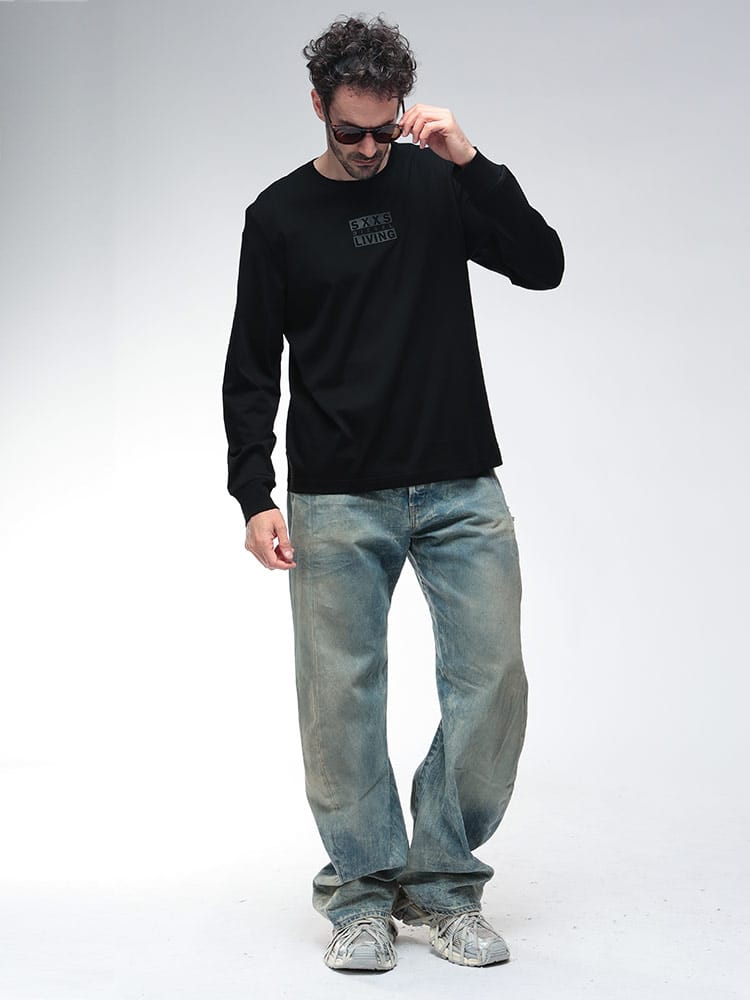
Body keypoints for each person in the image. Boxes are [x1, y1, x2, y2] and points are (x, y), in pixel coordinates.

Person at [222, 13, 564, 973]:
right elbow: (250, 367)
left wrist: (472, 161)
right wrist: (254, 493)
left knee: (493, 683)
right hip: (337, 495)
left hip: (459, 482)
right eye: (351, 131)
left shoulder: (436, 182)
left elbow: (543, 265)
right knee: (340, 701)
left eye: (385, 129)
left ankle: (443, 883)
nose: (371, 148)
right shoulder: (278, 216)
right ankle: (361, 896)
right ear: (318, 107)